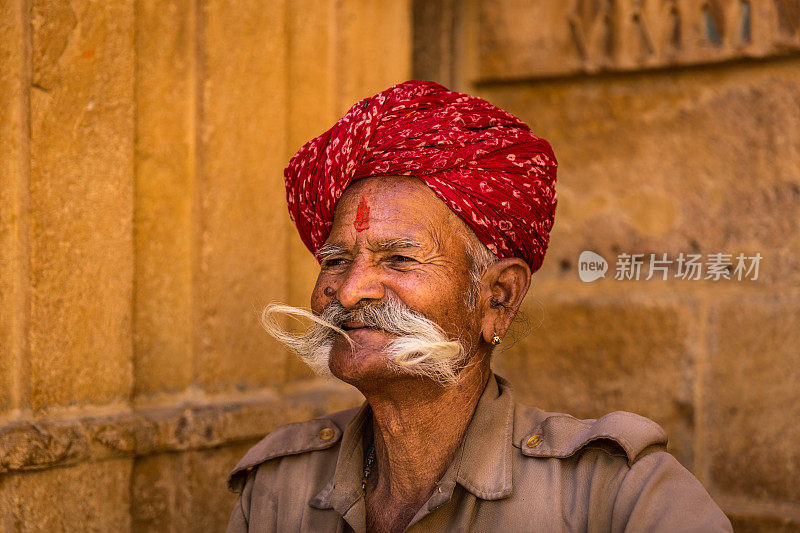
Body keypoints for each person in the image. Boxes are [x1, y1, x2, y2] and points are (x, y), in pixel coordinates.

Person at [225, 81, 731, 532]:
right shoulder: (275, 489)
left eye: (399, 259)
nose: (351, 290)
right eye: (335, 261)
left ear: (498, 299)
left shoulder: (617, 495)